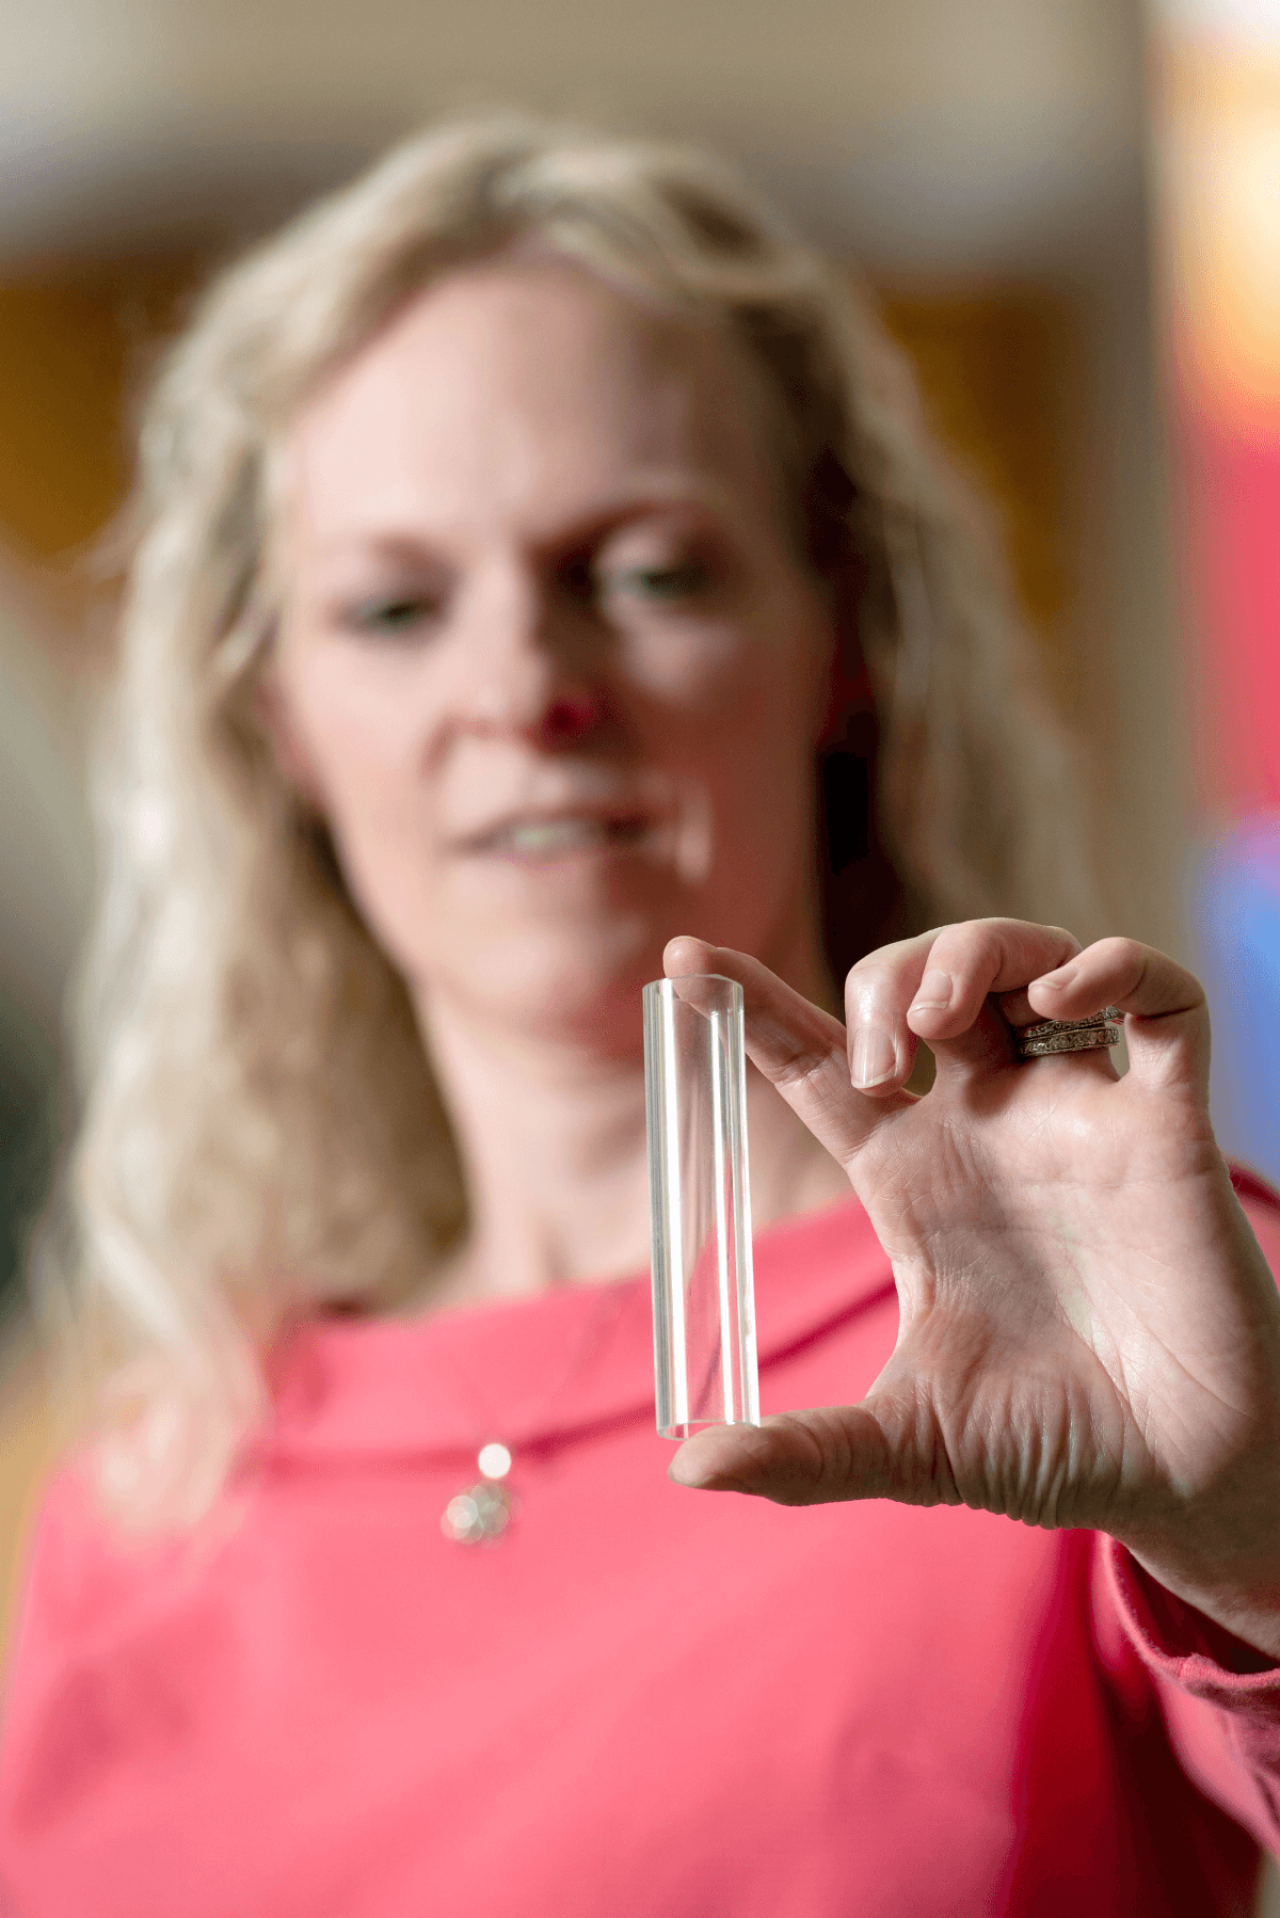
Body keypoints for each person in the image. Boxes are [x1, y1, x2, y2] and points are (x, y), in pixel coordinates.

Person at [2, 114, 1280, 1917]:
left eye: (648, 569)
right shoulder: (149, 1494)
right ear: (276, 720)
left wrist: (1257, 1537)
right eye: (393, 606)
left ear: (844, 644)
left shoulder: (1121, 1304)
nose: (525, 684)